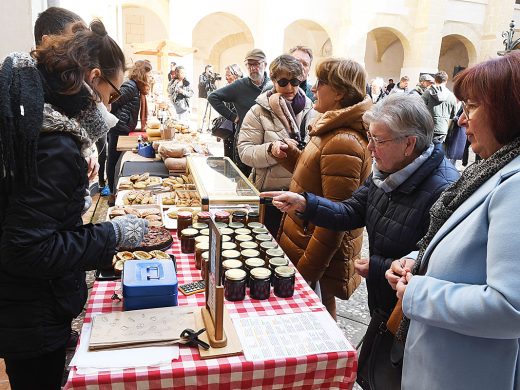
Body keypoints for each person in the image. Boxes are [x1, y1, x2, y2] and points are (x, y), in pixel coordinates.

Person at [0, 20, 149, 389]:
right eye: (112, 95)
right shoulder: (55, 142)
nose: (109, 107)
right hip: (30, 311)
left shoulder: (36, 114)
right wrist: (110, 234)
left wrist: (70, 199)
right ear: (94, 76)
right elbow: (27, 250)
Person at [385, 51, 520, 390]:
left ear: (507, 109)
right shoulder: (493, 169)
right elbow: (468, 251)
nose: (461, 120)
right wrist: (416, 261)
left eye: (471, 107)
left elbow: (509, 307)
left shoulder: (516, 184)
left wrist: (417, 291)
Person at [262, 57, 375, 317]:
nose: (313, 88)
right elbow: (317, 179)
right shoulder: (332, 128)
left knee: (315, 322)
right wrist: (292, 156)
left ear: (340, 92)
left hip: (312, 254)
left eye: (320, 82)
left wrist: (303, 275)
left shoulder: (343, 141)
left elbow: (334, 218)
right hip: (304, 242)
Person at [237, 54, 313, 236]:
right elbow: (245, 152)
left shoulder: (310, 109)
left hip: (300, 195)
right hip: (270, 196)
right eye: (284, 82)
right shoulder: (259, 111)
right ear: (273, 80)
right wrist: (271, 149)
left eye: (295, 81)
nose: (290, 87)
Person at [207, 48, 271, 176]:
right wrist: (233, 117)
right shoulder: (239, 86)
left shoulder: (272, 85)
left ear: (265, 64)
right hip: (244, 140)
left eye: (256, 64)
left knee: (263, 179)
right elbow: (213, 97)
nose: (253, 68)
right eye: (249, 65)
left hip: (266, 142)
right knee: (242, 179)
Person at [106, 59, 152, 203]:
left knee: (117, 160)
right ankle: (113, 194)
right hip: (118, 128)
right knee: (113, 160)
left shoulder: (135, 87)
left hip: (122, 127)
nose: (150, 78)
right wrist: (122, 120)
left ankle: (114, 191)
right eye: (149, 74)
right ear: (142, 73)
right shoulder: (130, 86)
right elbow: (111, 103)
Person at [422, 70, 457, 143]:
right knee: (437, 151)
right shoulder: (451, 96)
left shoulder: (428, 93)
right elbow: (453, 115)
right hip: (442, 129)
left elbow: (419, 108)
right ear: (446, 81)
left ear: (435, 80)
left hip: (428, 127)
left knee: (426, 151)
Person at [220, 64, 243, 158]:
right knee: (227, 155)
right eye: (226, 75)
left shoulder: (242, 88)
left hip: (238, 127)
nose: (226, 77)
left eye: (229, 75)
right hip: (227, 127)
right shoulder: (227, 87)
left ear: (236, 74)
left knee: (236, 155)